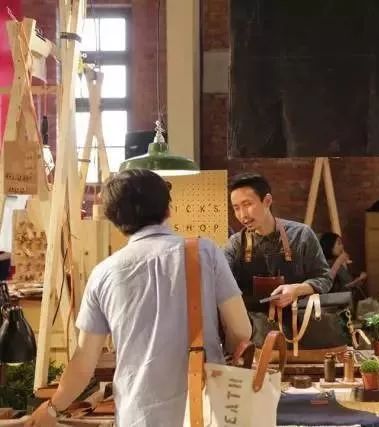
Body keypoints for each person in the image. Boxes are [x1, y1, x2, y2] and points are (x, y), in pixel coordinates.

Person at [27, 169, 252, 427]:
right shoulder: (205, 252)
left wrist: (52, 408)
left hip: (138, 415)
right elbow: (241, 330)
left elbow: (84, 361)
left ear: (114, 219)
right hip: (204, 410)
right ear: (168, 209)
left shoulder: (103, 274)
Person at [224, 172, 331, 308]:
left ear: (267, 201)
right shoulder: (236, 244)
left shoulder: (301, 235)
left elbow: (324, 278)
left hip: (297, 317)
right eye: (236, 208)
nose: (242, 215)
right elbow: (221, 283)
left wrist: (297, 289)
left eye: (247, 204)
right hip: (252, 320)